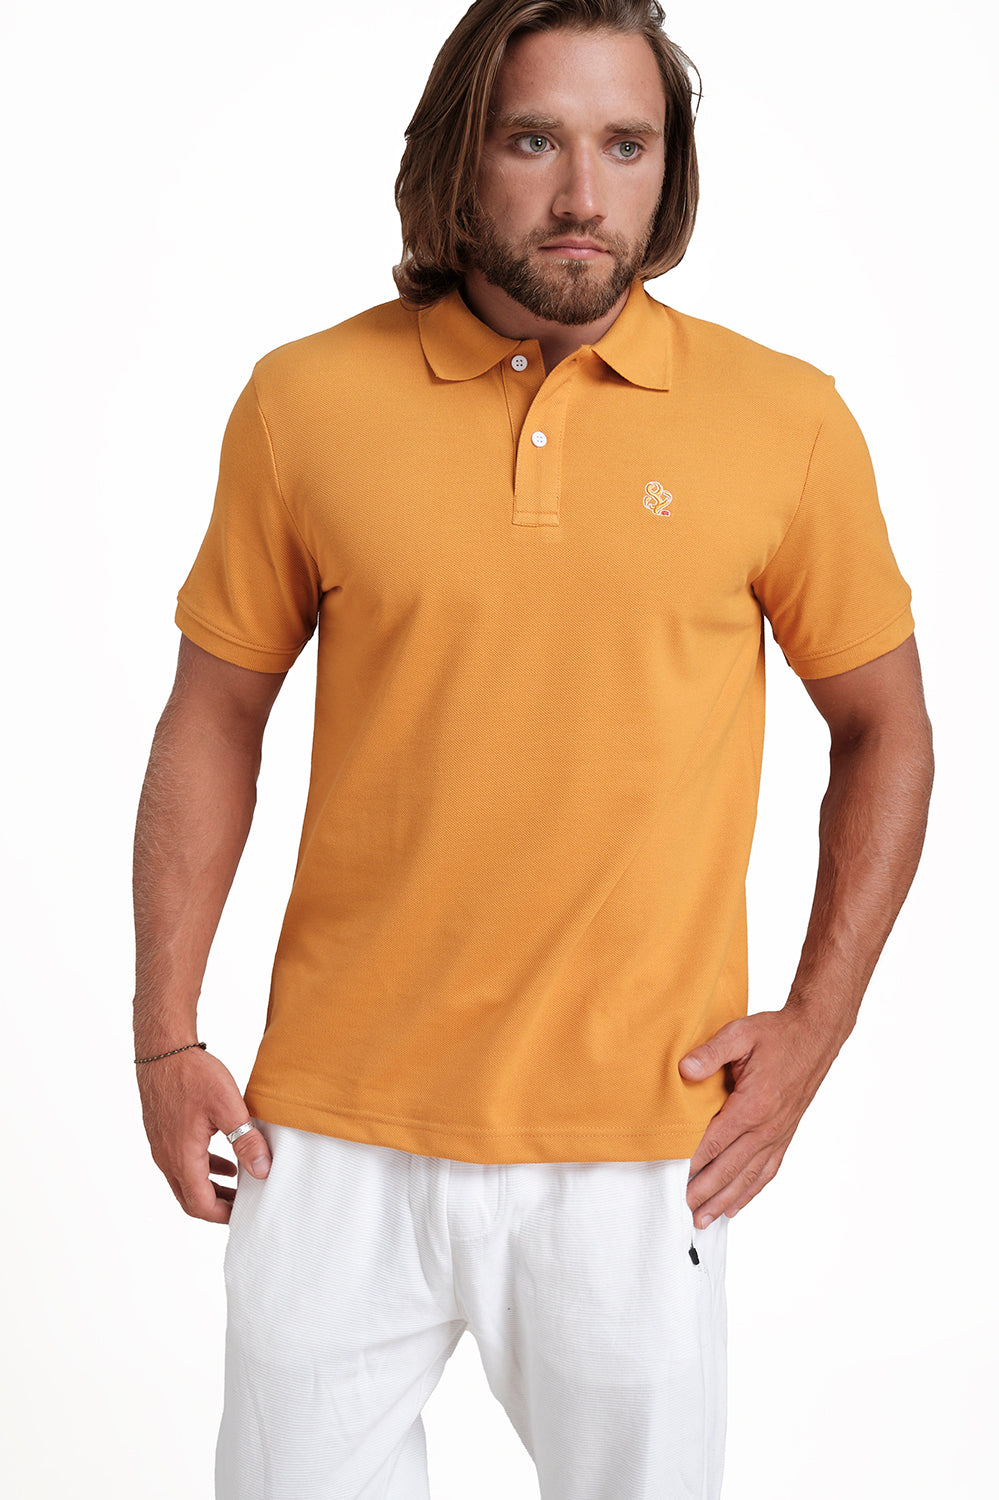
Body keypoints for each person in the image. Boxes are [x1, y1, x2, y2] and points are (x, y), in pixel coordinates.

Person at [131, 1, 934, 1496]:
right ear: (461, 155)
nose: (582, 193)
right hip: (331, 1137)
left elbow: (886, 725)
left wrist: (815, 1029)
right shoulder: (305, 403)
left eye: (627, 145)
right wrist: (165, 1031)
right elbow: (214, 713)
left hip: (638, 1142)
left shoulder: (785, 422)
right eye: (534, 140)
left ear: (668, 168)